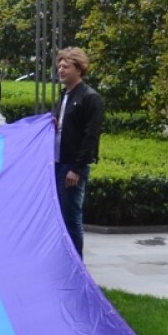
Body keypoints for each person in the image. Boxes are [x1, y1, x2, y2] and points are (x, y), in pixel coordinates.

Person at [54, 47, 104, 260]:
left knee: (71, 217)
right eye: (59, 66)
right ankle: (64, 260)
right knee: (60, 216)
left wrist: (77, 169)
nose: (61, 70)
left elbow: (90, 137)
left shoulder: (90, 98)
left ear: (79, 69)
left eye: (66, 66)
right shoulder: (65, 95)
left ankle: (76, 263)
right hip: (58, 162)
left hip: (71, 166)